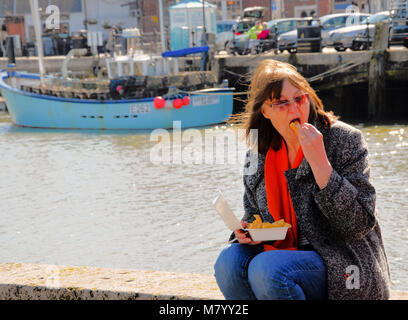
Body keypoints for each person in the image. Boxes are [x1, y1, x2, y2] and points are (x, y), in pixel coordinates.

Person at [214, 59, 391, 300]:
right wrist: (246, 231)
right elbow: (253, 214)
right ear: (265, 111)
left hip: (345, 265)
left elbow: (358, 225)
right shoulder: (257, 155)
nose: (295, 109)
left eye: (300, 98)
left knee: (268, 269)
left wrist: (320, 164)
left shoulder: (344, 140)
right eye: (282, 103)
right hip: (278, 254)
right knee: (228, 261)